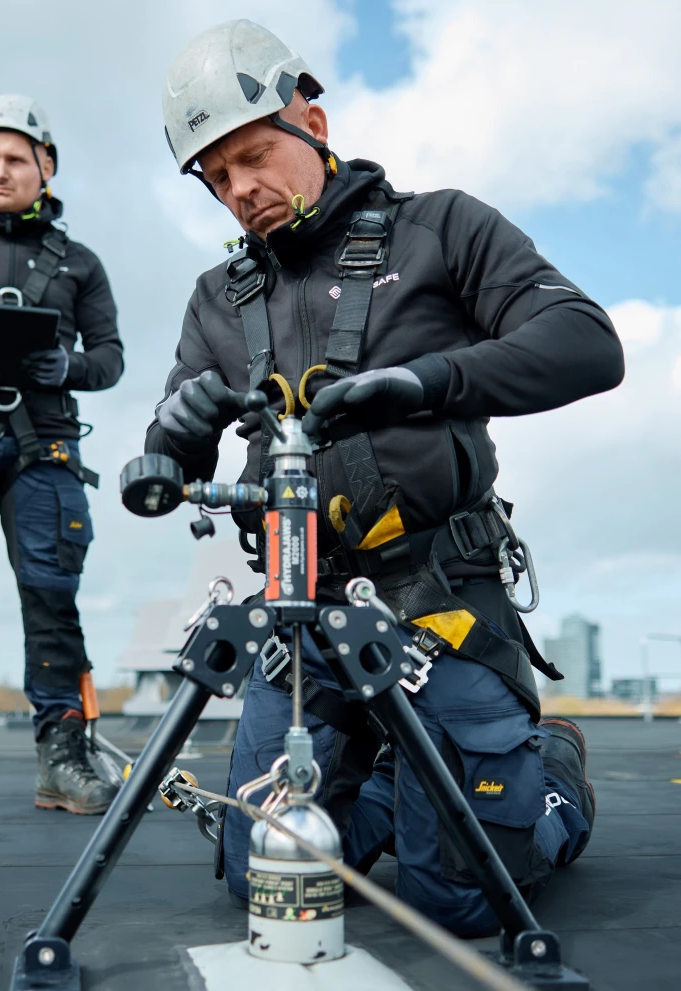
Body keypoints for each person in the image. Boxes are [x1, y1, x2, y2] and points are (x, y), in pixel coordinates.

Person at [147, 20, 623, 934]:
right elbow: (170, 468)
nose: (241, 190)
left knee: (464, 900)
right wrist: (176, 428)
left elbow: (588, 344)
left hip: (437, 604)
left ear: (312, 123)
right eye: (218, 179)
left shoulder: (442, 227)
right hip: (303, 625)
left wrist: (426, 382)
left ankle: (549, 763)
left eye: (252, 156)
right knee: (264, 880)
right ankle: (391, 774)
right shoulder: (217, 300)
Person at [0, 95, 123, 815]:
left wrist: (71, 368)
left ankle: (62, 754)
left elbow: (112, 357)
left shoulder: (81, 263)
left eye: (13, 159)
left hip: (45, 447)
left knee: (52, 596)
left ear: (44, 166)